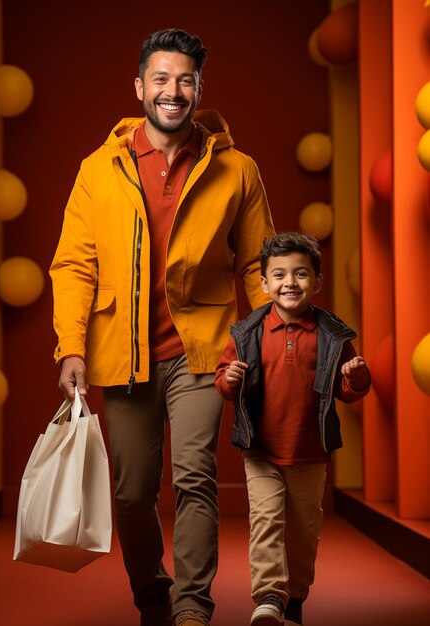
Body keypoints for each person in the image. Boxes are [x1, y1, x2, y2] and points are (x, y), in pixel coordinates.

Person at [50, 28, 275, 626]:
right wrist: (70, 346)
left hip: (204, 350)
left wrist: (267, 342)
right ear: (139, 86)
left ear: (200, 87)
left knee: (196, 477)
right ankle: (152, 592)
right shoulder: (98, 169)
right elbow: (74, 263)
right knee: (131, 493)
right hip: (121, 354)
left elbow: (257, 266)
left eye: (184, 80)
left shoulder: (238, 169)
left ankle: (191, 608)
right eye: (161, 79)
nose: (172, 91)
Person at [215, 232, 371, 626]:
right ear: (264, 284)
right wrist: (229, 379)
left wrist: (357, 376)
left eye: (300, 274)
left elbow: (346, 392)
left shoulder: (333, 336)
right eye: (279, 275)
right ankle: (269, 596)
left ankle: (294, 599)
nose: (290, 282)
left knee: (303, 532)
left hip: (310, 451)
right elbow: (223, 380)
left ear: (317, 282)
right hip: (261, 449)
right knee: (266, 521)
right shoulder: (246, 332)